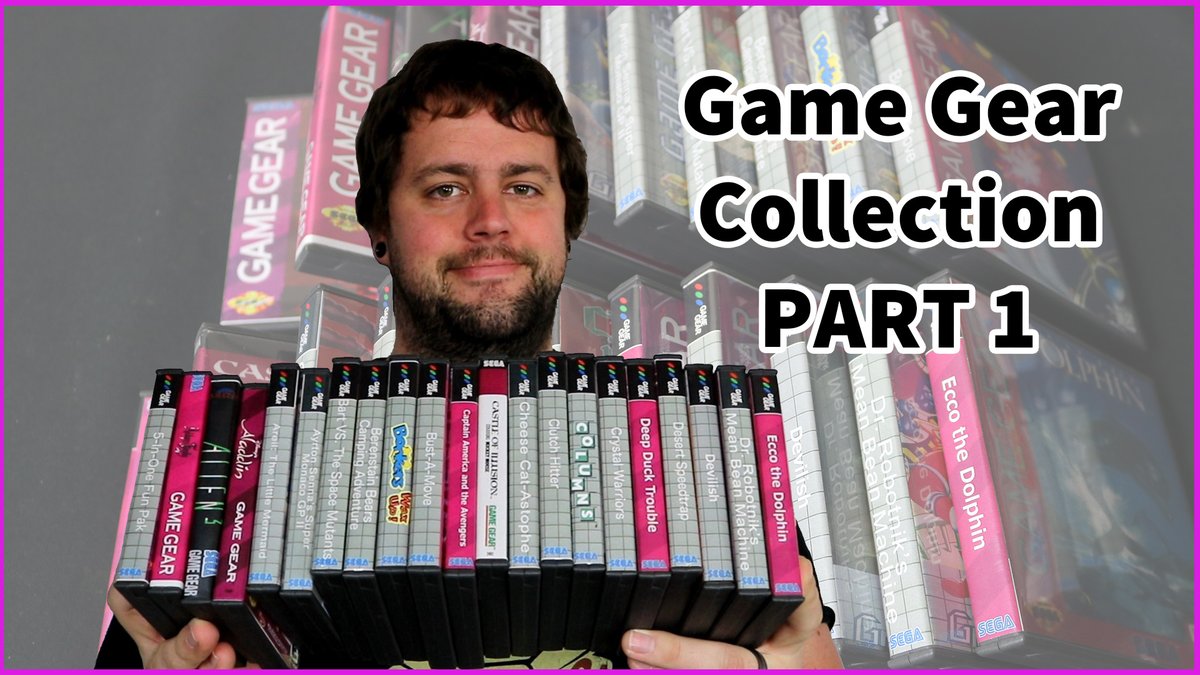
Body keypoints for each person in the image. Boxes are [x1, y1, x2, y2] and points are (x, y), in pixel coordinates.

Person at [101, 39, 842, 670]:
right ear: (377, 226)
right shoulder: (241, 464)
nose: (491, 221)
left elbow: (801, 650)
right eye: (446, 188)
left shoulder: (702, 453)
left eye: (524, 186)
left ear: (569, 222)